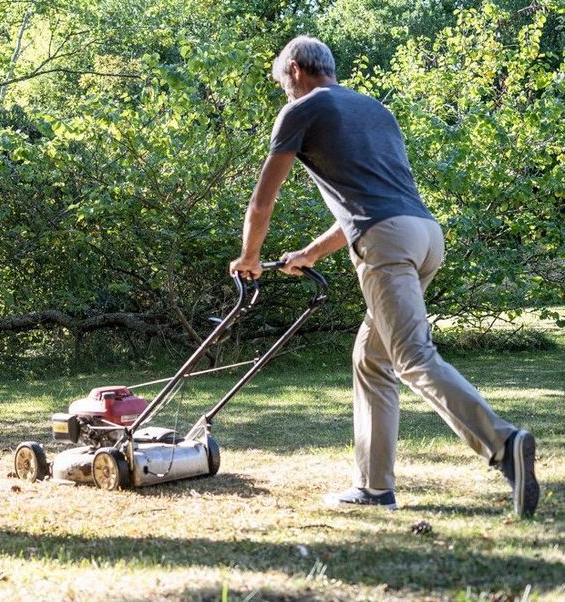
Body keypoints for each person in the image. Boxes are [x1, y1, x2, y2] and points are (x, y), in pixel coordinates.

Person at [229, 36, 539, 516]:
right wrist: (311, 252)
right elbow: (369, 201)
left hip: (386, 244)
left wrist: (250, 256)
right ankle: (374, 488)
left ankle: (504, 443)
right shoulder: (375, 110)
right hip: (423, 234)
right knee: (373, 358)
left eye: (281, 84)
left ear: (295, 70)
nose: (284, 94)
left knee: (413, 357)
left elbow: (262, 198)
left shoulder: (301, 110)